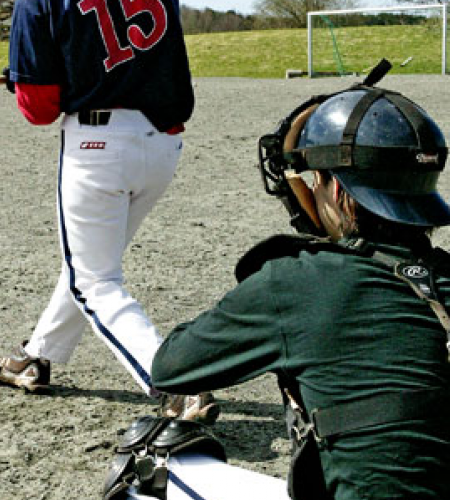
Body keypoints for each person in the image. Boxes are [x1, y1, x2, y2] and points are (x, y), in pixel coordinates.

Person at [149, 63, 450, 500]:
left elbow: (171, 366)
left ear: (338, 190)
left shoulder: (298, 281)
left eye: (316, 180)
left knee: (147, 461)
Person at [0, 0, 212, 416]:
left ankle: (176, 384)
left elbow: (39, 107)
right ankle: (36, 355)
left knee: (95, 280)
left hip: (98, 146)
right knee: (90, 265)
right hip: (162, 145)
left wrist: (22, 78)